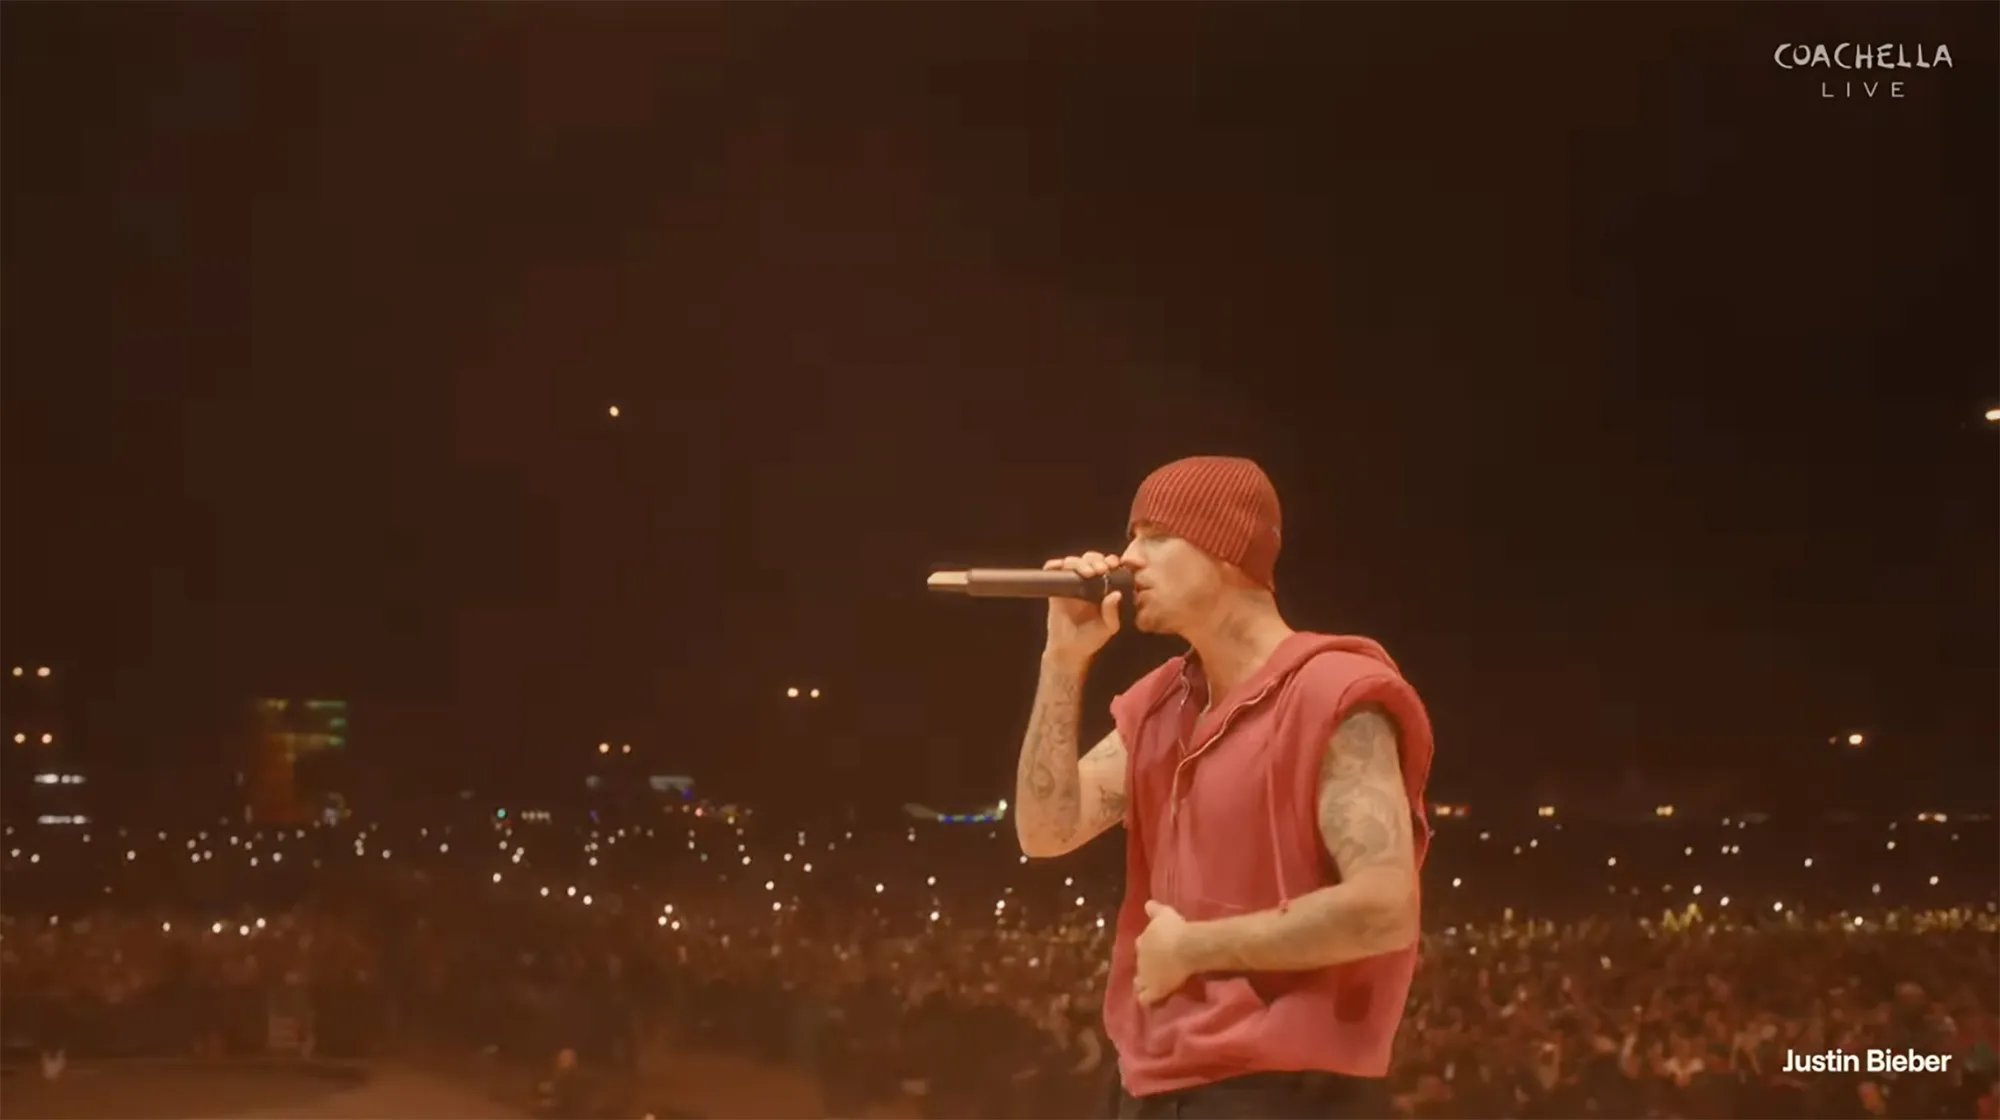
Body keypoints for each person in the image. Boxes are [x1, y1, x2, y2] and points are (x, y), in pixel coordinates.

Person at [1012, 455, 1436, 1119]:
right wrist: (1062, 660)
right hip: (1147, 1087)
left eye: (1154, 535)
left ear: (1227, 549)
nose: (1127, 559)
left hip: (1285, 1096)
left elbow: (1385, 908)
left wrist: (1195, 949)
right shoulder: (1161, 703)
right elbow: (1045, 832)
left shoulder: (1333, 694)